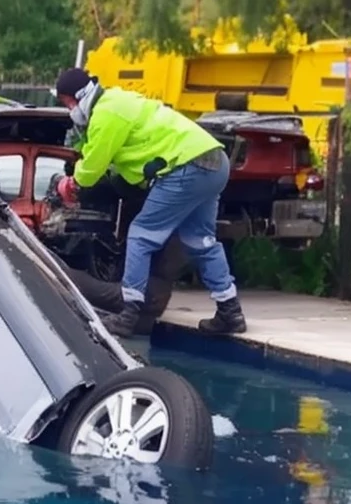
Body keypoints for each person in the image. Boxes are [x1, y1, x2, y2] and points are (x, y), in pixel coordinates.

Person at [53, 67, 246, 337]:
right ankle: (230, 312)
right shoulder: (119, 101)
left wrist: (72, 183)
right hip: (214, 161)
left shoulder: (107, 113)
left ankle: (128, 315)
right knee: (200, 240)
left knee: (142, 235)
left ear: (77, 96)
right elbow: (123, 161)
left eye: (65, 102)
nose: (68, 109)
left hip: (186, 166)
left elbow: (93, 165)